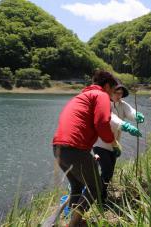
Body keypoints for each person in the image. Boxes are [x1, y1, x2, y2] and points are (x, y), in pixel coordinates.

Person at [52, 70, 120, 227]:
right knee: (95, 187)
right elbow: (102, 123)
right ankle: (74, 224)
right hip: (74, 148)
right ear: (107, 86)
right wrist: (113, 143)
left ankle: (73, 219)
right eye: (113, 89)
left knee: (77, 185)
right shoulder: (101, 94)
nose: (112, 94)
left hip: (58, 148)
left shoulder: (81, 96)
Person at [93, 83, 144, 202]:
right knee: (106, 171)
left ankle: (100, 193)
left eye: (120, 93)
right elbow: (111, 118)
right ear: (110, 92)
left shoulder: (122, 105)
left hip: (114, 144)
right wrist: (125, 125)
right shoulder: (105, 105)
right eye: (116, 92)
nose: (118, 95)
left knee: (109, 173)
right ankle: (99, 198)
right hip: (100, 143)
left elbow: (130, 111)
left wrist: (136, 115)